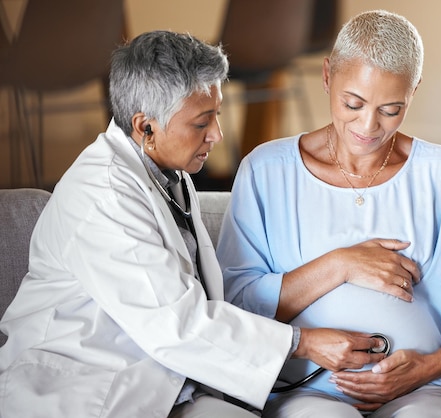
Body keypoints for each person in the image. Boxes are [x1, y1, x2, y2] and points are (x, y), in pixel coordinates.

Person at [0, 31, 386, 418]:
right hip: (83, 387)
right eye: (202, 122)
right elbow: (175, 323)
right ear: (145, 127)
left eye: (216, 115)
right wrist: (303, 342)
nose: (217, 135)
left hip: (159, 378)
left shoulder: (169, 175)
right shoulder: (103, 194)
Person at [216, 10, 441, 418]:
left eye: (391, 109)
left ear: (413, 91)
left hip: (427, 390)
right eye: (352, 103)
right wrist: (340, 265)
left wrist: (425, 369)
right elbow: (233, 305)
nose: (368, 126)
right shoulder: (266, 170)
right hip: (305, 391)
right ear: (326, 76)